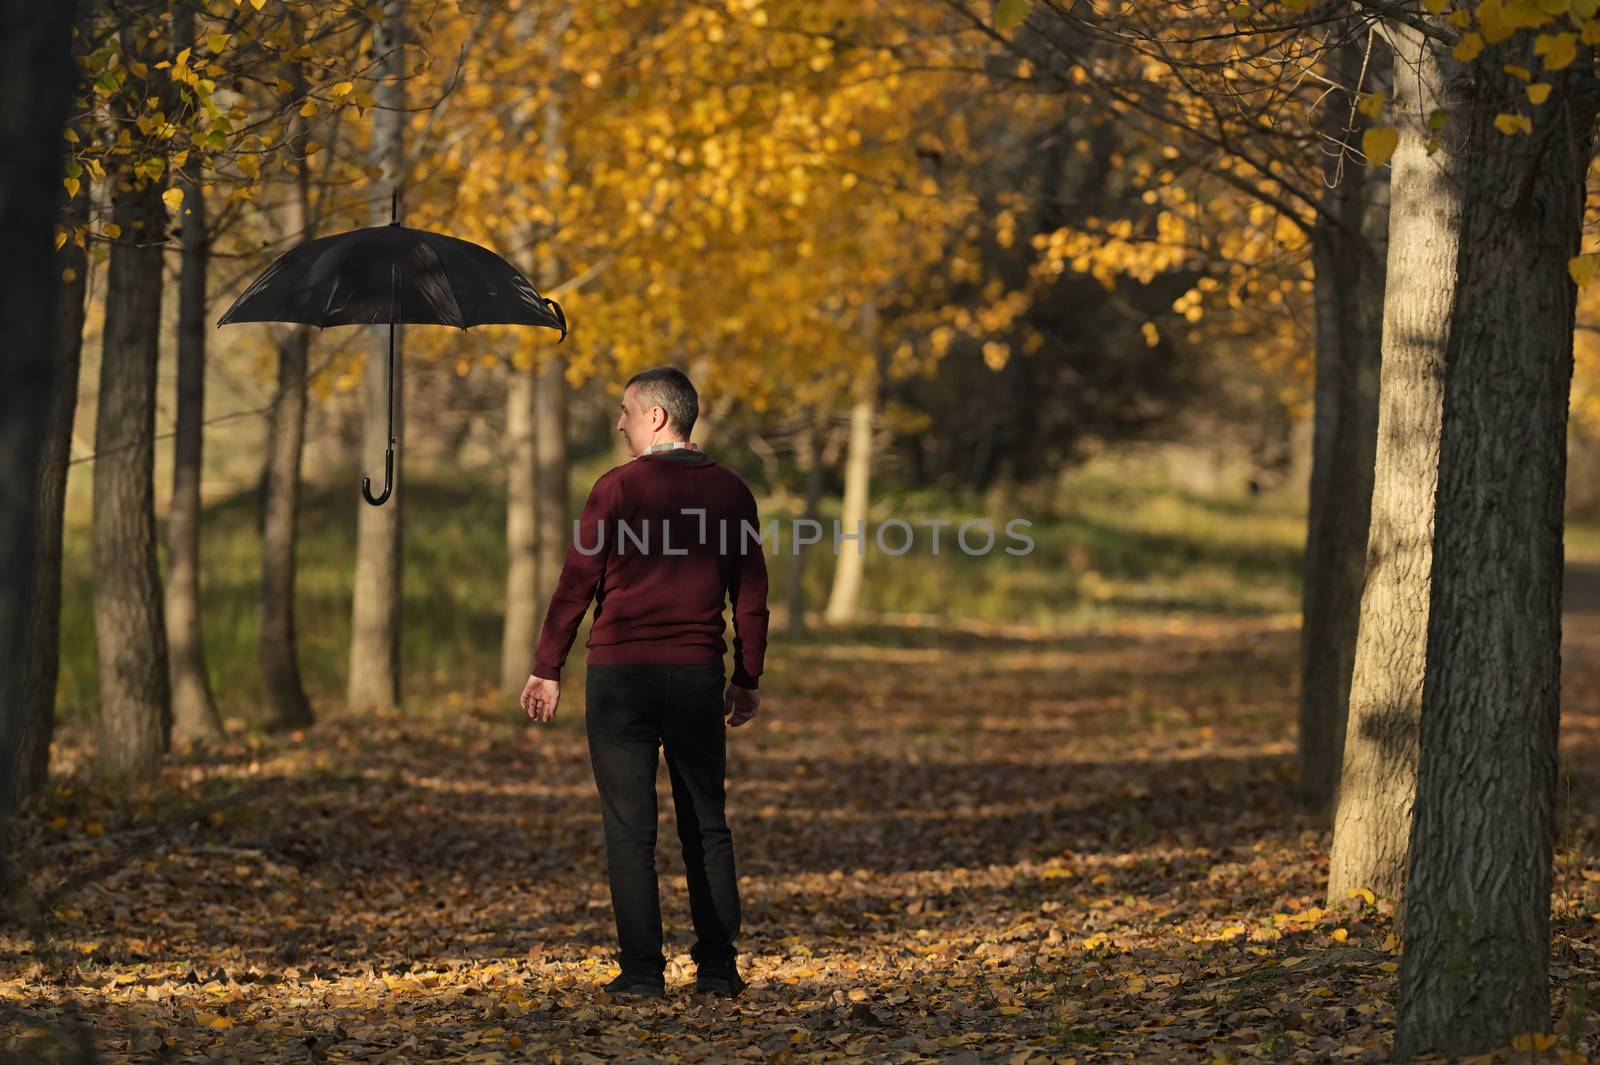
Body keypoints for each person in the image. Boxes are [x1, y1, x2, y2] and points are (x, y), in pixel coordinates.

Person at [520, 366, 769, 1001]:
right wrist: (746, 677)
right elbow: (751, 599)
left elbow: (575, 585)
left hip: (619, 679)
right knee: (706, 823)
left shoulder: (614, 490)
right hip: (694, 676)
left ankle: (640, 974)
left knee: (629, 828)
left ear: (657, 416)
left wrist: (547, 667)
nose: (620, 423)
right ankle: (717, 969)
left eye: (626, 411)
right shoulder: (732, 493)